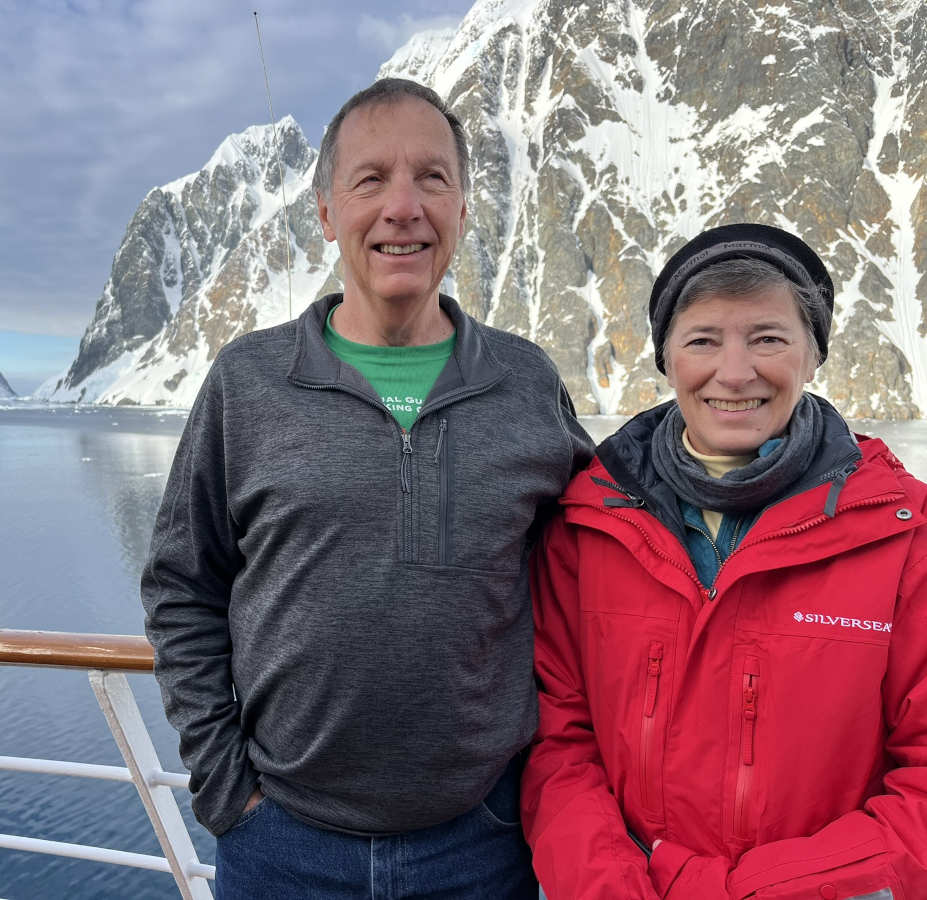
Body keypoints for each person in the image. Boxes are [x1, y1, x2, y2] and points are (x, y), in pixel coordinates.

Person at [142, 77, 592, 898]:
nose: (403, 207)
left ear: (462, 209)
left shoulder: (525, 383)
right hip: (281, 847)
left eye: (432, 178)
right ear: (325, 212)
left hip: (485, 844)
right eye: (371, 179)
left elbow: (602, 564)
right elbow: (182, 587)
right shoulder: (248, 382)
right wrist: (227, 789)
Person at [522, 222, 927, 899]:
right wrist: (610, 885)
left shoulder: (903, 536)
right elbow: (558, 741)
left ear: (813, 356)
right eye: (703, 340)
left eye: (768, 339)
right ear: (666, 359)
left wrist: (746, 890)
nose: (734, 373)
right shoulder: (588, 525)